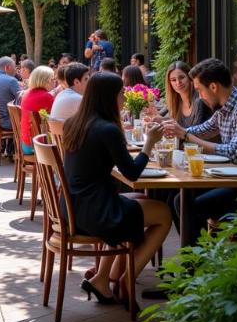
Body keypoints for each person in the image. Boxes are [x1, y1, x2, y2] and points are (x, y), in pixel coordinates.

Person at [62, 72, 171, 304]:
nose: (123, 97)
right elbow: (131, 172)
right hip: (97, 211)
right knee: (163, 213)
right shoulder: (107, 130)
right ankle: (127, 278)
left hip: (71, 207)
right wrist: (149, 143)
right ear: (109, 97)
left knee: (136, 198)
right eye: (121, 93)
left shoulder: (75, 123)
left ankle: (102, 279)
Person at [162, 58, 237, 233]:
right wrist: (175, 129)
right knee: (177, 199)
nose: (200, 96)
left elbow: (235, 153)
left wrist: (185, 135)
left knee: (189, 206)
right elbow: (204, 129)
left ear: (213, 87)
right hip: (232, 178)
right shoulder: (225, 107)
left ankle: (200, 257)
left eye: (200, 90)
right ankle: (197, 257)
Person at [160, 61, 212, 130]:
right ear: (170, 83)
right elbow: (160, 115)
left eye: (181, 77)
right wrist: (156, 117)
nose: (178, 83)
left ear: (190, 78)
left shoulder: (199, 100)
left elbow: (197, 133)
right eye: (173, 80)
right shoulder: (175, 100)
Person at [20, 66, 55, 155]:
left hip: (25, 142)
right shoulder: (46, 97)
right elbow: (55, 117)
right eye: (52, 79)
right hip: (36, 144)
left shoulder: (27, 93)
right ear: (44, 81)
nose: (55, 82)